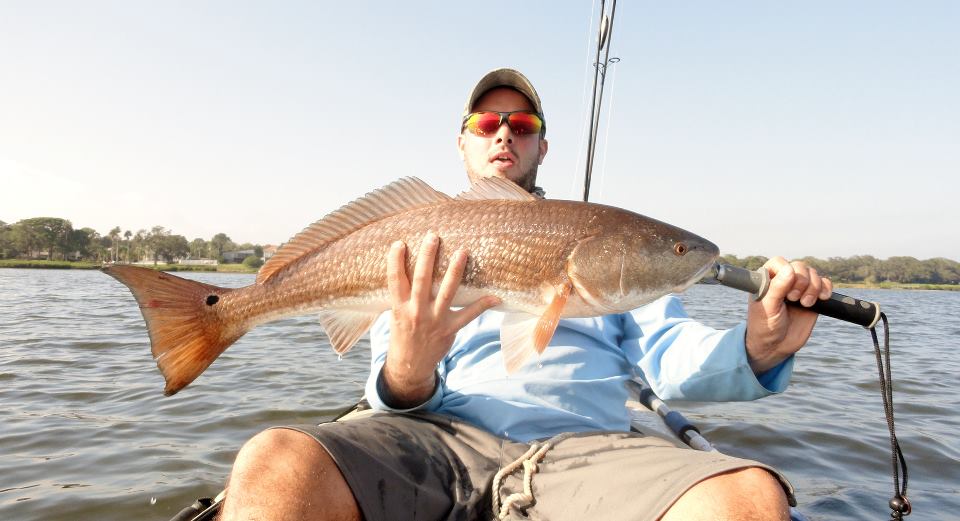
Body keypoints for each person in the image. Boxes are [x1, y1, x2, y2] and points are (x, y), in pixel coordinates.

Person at [218, 68, 833, 521]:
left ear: (542, 146)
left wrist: (759, 347)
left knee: (748, 497)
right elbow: (390, 391)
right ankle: (221, 318)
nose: (504, 135)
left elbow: (672, 356)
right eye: (486, 125)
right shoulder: (418, 237)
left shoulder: (613, 260)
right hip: (435, 442)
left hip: (589, 450)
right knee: (275, 462)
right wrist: (407, 371)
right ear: (463, 143)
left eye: (523, 125)